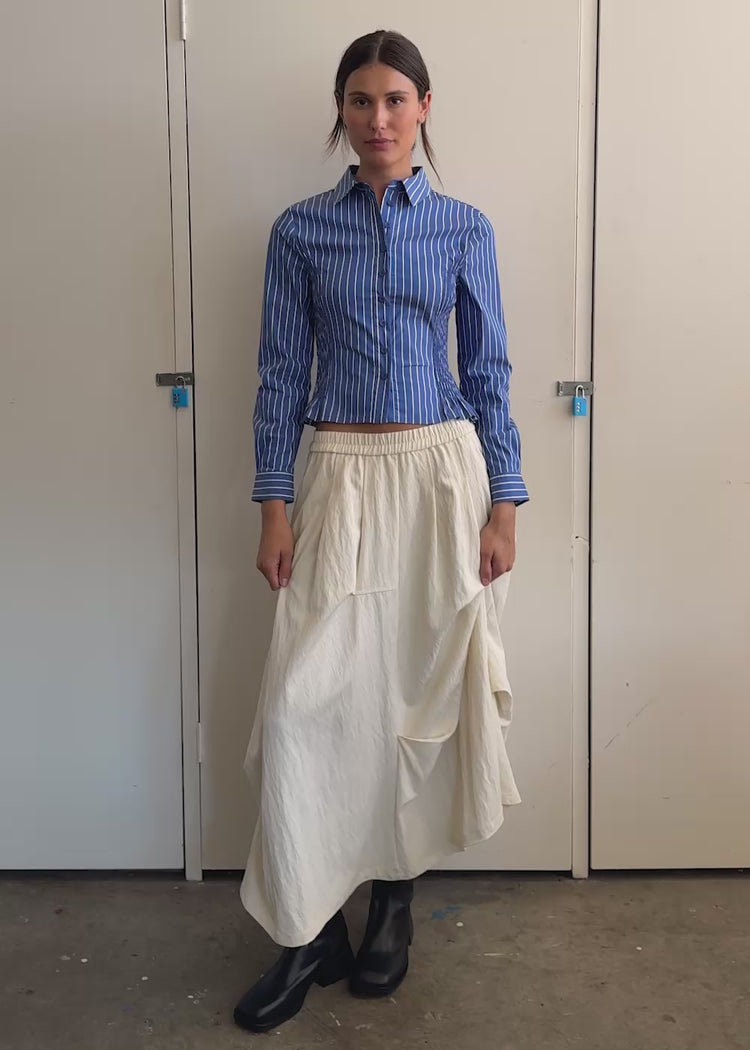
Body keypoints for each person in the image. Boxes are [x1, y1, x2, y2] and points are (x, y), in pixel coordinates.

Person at [233, 28, 528, 1034]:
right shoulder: (300, 232)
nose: (378, 118)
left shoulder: (464, 229)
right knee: (302, 707)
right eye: (360, 100)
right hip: (339, 478)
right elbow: (281, 374)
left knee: (418, 698)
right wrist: (275, 504)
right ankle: (306, 928)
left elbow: (488, 372)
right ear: (341, 112)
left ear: (425, 107)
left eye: (396, 99)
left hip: (441, 479)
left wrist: (505, 501)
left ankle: (394, 901)